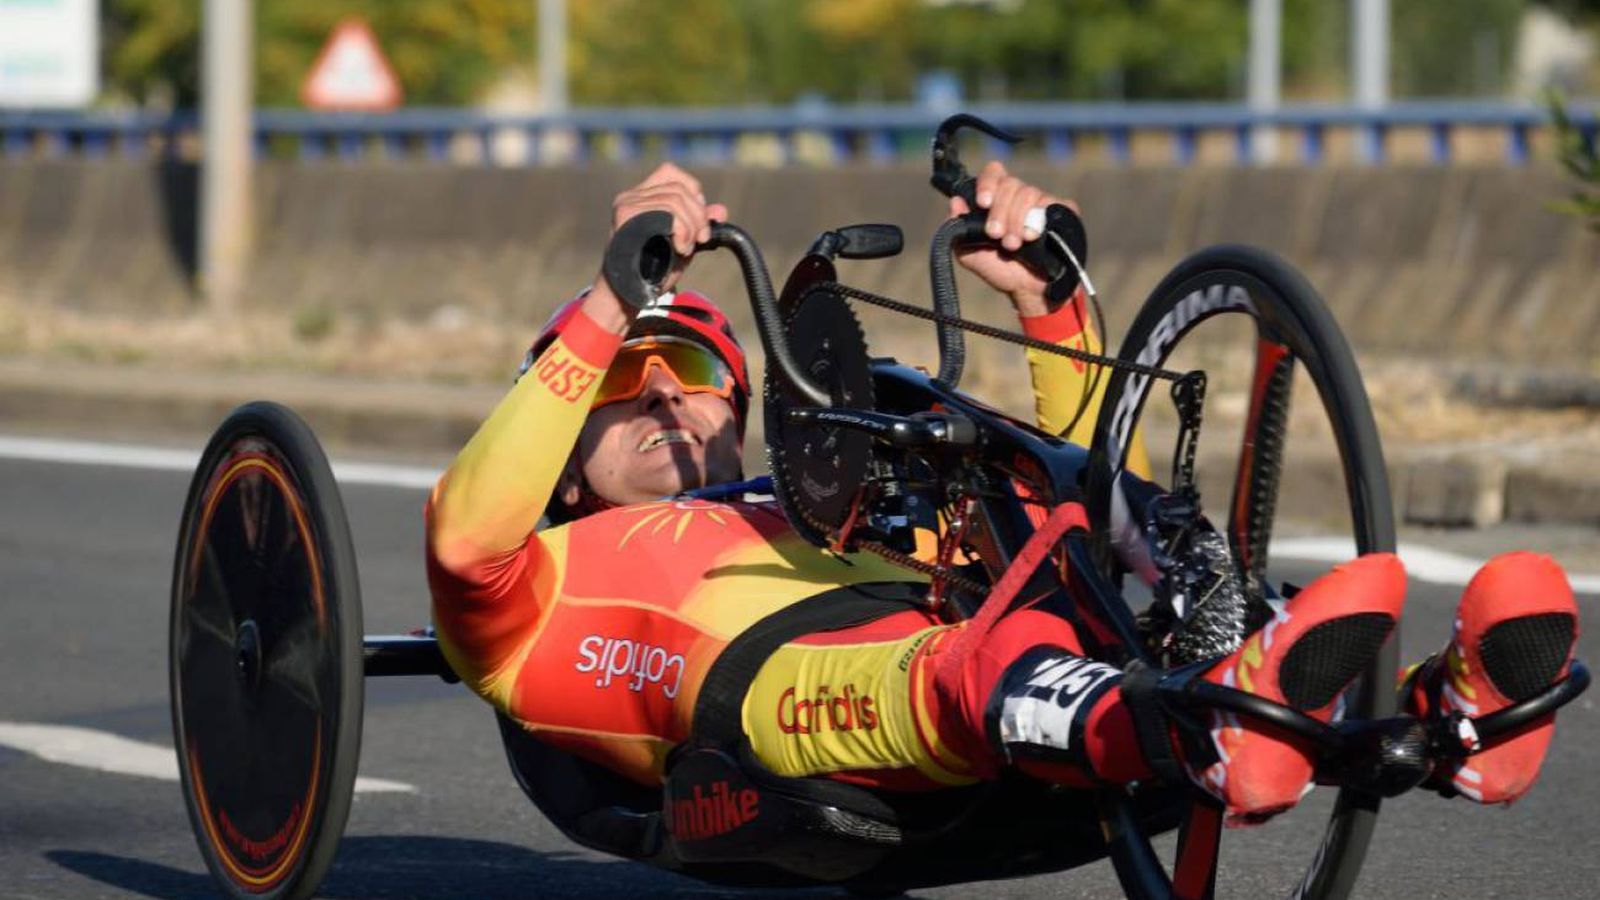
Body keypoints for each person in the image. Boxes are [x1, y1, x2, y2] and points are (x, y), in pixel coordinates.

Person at [424, 162, 1579, 835]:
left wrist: (1050, 308)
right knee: (967, 664)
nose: (673, 400)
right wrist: (610, 301)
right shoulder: (528, 587)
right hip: (772, 703)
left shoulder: (817, 491)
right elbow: (465, 537)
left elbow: (1063, 505)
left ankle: (1450, 724)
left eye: (702, 377)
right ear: (567, 452)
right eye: (633, 382)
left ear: (745, 410)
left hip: (970, 635)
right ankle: (1200, 721)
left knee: (1076, 553)